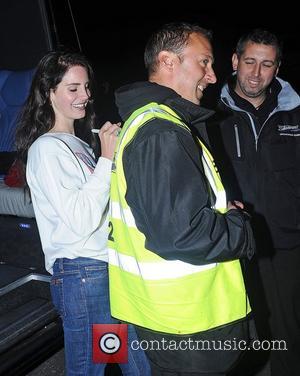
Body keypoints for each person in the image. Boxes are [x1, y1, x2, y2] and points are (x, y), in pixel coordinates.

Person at [108, 22, 256, 376]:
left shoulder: (151, 122)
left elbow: (168, 216)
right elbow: (180, 234)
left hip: (172, 320)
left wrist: (220, 212)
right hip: (189, 324)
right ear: (168, 61)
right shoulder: (161, 131)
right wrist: (241, 227)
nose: (212, 75)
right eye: (203, 62)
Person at [15, 50, 150, 376]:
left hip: (103, 272)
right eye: (73, 88)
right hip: (83, 275)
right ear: (49, 93)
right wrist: (106, 159)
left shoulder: (77, 144)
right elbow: (80, 220)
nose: (85, 96)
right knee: (90, 369)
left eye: (86, 87)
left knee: (135, 365)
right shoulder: (47, 149)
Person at [208, 29, 300, 376]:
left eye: (266, 64)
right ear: (234, 61)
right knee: (237, 335)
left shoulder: (295, 112)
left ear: (277, 68)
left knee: (289, 333)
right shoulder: (209, 113)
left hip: (286, 245)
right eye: (249, 62)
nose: (256, 73)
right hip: (233, 245)